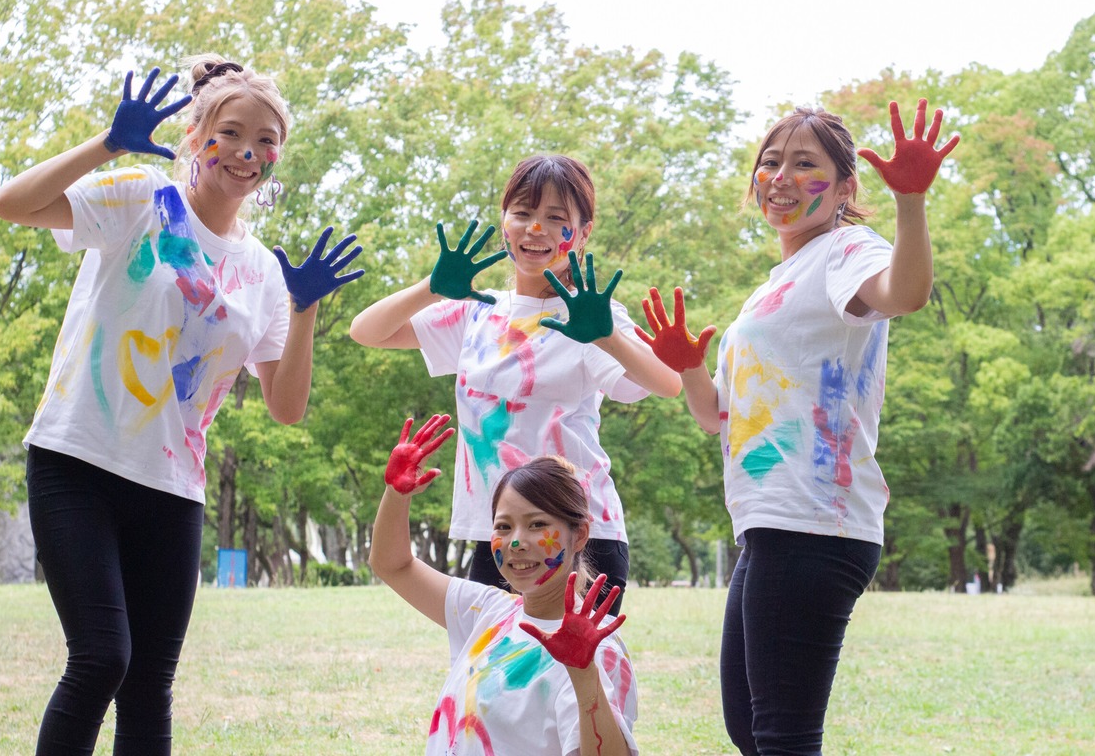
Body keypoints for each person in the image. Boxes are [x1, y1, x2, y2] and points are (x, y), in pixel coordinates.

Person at [0, 57, 363, 755]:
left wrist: (305, 309)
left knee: (148, 691)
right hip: (79, 459)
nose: (247, 152)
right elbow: (10, 204)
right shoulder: (140, 196)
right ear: (195, 136)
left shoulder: (259, 270)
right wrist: (106, 146)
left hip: (172, 487)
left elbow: (286, 406)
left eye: (264, 139)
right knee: (102, 657)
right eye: (230, 132)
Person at [635, 99, 960, 755]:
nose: (779, 176)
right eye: (770, 162)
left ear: (846, 188)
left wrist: (912, 203)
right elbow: (716, 418)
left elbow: (906, 292)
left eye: (804, 164)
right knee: (750, 729)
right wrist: (691, 368)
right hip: (771, 523)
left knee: (782, 738)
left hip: (815, 523)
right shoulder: (778, 283)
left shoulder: (847, 249)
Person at [350, 154, 680, 611]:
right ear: (504, 221)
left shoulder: (589, 316)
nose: (536, 229)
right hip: (497, 532)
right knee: (494, 676)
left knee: (570, 678)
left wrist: (607, 337)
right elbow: (366, 331)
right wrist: (433, 286)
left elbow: (666, 384)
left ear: (583, 233)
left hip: (580, 534)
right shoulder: (478, 311)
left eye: (555, 218)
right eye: (522, 213)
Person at [370, 414, 638, 756]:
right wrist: (396, 495)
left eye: (537, 524)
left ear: (580, 534)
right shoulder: (488, 612)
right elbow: (392, 564)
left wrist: (584, 675)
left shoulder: (599, 650)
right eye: (503, 527)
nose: (516, 542)